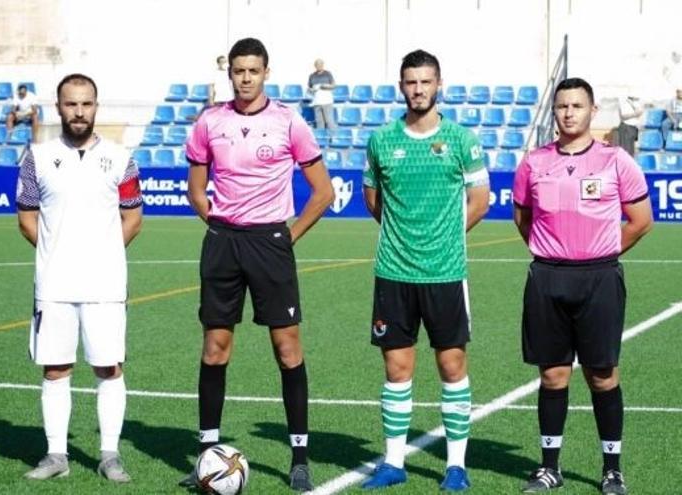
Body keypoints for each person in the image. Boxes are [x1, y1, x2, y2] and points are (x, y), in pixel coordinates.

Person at [179, 37, 335, 492]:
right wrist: (221, 226)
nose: (245, 78)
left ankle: (300, 458)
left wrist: (286, 235)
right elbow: (195, 188)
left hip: (271, 242)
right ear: (230, 73)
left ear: (266, 72)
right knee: (215, 348)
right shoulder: (210, 122)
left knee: (287, 349)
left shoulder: (289, 122)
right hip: (223, 241)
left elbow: (322, 192)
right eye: (238, 71)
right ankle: (207, 457)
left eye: (253, 71)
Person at [513, 77, 653, 495]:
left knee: (602, 375)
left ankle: (612, 469)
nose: (569, 113)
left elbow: (641, 220)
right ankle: (549, 467)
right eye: (562, 106)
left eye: (577, 106)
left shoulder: (616, 161)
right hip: (547, 278)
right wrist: (553, 252)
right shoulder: (534, 162)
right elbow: (524, 218)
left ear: (593, 111)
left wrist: (602, 251)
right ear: (554, 112)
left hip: (600, 279)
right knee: (553, 375)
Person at [360, 49, 490, 492]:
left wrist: (445, 237)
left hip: (445, 273)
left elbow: (480, 202)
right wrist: (404, 236)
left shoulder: (461, 140)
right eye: (411, 82)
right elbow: (373, 201)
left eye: (426, 81)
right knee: (397, 369)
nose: (418, 89)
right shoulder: (380, 141)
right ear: (401, 86)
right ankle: (393, 462)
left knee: (452, 365)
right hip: (393, 272)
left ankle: (455, 465)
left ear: (439, 85)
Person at [16, 73, 143, 483]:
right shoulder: (36, 156)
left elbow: (133, 218)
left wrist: (101, 255)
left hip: (105, 285)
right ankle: (56, 455)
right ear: (59, 107)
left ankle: (109, 455)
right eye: (71, 104)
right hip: (53, 284)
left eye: (85, 104)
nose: (78, 111)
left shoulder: (122, 158)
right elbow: (25, 217)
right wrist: (58, 254)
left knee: (109, 368)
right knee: (55, 369)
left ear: (96, 106)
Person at [307, 58, 337, 130]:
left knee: (329, 121)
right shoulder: (312, 76)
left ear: (323, 65)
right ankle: (321, 139)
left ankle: (333, 139)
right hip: (317, 102)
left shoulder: (328, 74)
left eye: (320, 64)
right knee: (319, 122)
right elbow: (309, 88)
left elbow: (334, 85)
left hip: (327, 101)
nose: (319, 66)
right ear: (315, 66)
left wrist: (325, 86)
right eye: (317, 64)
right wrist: (312, 89)